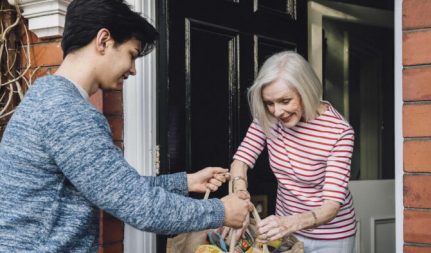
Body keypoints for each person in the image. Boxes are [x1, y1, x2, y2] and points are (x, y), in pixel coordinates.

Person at [0, 0, 251, 252]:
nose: (132, 70)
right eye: (131, 54)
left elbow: (114, 186)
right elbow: (137, 204)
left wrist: (185, 182)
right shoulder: (68, 113)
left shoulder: (48, 97)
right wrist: (221, 211)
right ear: (103, 41)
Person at [230, 51, 356, 252]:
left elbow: (331, 205)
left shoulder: (339, 132)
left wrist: (290, 223)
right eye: (269, 103)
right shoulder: (268, 118)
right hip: (286, 231)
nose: (277, 112)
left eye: (285, 101)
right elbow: (241, 161)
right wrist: (240, 193)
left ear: (305, 90)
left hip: (330, 237)